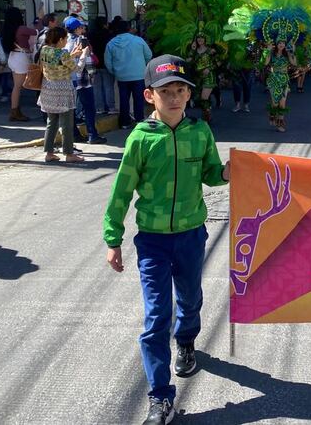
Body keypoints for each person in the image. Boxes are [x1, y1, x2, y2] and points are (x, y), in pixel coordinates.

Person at [103, 55, 230, 425]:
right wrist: (113, 238)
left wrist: (226, 172)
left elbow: (211, 173)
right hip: (153, 242)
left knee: (190, 298)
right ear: (149, 96)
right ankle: (160, 396)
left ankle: (186, 340)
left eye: (180, 90)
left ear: (189, 95)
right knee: (156, 315)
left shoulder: (200, 131)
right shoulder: (141, 139)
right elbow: (121, 192)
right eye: (165, 92)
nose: (174, 98)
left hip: (191, 234)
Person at [38, 26, 85, 163]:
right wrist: (82, 55)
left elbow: (57, 62)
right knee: (67, 124)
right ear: (60, 40)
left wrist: (73, 55)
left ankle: (49, 152)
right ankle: (69, 154)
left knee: (51, 122)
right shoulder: (62, 54)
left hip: (48, 89)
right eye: (65, 39)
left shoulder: (45, 50)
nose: (66, 41)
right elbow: (77, 69)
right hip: (63, 91)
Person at [65, 17, 106, 144]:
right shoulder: (82, 40)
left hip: (68, 78)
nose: (83, 29)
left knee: (71, 108)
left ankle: (75, 134)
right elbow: (87, 61)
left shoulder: (64, 40)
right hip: (82, 78)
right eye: (81, 27)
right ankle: (92, 134)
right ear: (77, 29)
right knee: (89, 107)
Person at [105, 19, 152, 129]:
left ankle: (124, 122)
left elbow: (108, 62)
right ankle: (139, 120)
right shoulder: (138, 40)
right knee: (139, 99)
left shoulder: (111, 44)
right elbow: (148, 55)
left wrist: (115, 72)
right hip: (139, 75)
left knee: (124, 99)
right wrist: (142, 66)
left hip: (121, 76)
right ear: (128, 28)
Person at [1, 7, 37, 122]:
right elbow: (36, 32)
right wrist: (39, 19)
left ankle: (15, 110)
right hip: (21, 57)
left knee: (17, 86)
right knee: (17, 87)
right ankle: (14, 111)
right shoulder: (21, 28)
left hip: (13, 56)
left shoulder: (8, 29)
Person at [262, 41, 296, 132]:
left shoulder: (287, 53)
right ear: (276, 44)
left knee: (282, 103)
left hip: (284, 80)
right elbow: (265, 63)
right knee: (275, 103)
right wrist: (268, 51)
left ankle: (279, 124)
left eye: (283, 43)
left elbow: (294, 63)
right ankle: (272, 114)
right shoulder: (272, 53)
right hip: (274, 80)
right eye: (280, 43)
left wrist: (293, 51)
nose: (282, 45)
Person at [88, 16, 116, 115]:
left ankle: (99, 108)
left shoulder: (90, 34)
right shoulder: (109, 35)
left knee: (97, 87)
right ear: (105, 24)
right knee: (108, 86)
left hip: (94, 63)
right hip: (106, 64)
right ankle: (111, 107)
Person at [189, 34, 218, 123]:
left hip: (209, 77)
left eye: (202, 37)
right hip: (198, 78)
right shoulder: (195, 51)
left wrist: (209, 69)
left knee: (204, 98)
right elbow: (188, 61)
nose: (200, 39)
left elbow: (219, 62)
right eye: (198, 38)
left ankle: (207, 118)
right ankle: (206, 115)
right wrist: (192, 49)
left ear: (205, 39)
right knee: (199, 99)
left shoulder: (211, 51)